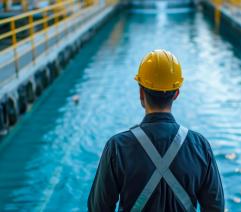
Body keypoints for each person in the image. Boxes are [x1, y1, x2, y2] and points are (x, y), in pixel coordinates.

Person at [88, 49, 224, 211]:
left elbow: (98, 208)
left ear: (141, 93)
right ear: (176, 94)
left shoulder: (117, 147)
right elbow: (216, 207)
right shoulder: (200, 146)